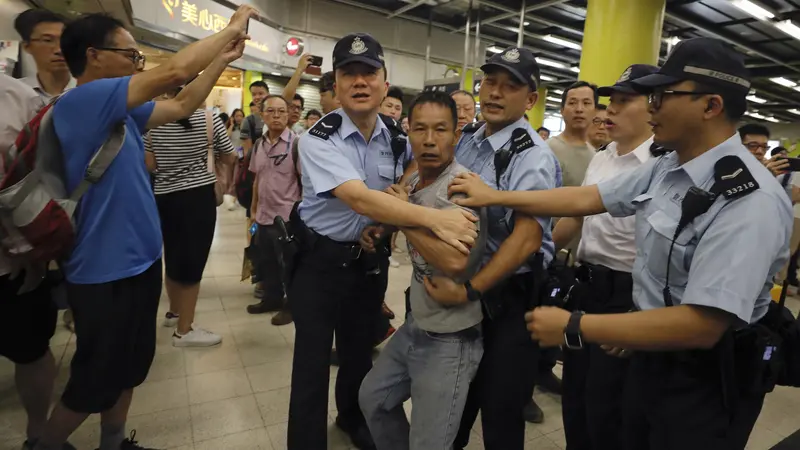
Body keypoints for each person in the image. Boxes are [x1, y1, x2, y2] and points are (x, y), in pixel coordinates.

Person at [450, 37, 790, 450]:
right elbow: (587, 198)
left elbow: (702, 324)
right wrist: (496, 195)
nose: (652, 106)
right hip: (649, 355)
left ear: (711, 106)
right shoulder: (669, 165)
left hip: (704, 378)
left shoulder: (748, 200)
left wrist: (576, 325)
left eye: (664, 96)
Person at [35, 6, 256, 450]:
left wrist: (221, 60)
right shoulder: (83, 103)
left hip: (138, 263)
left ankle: (114, 442)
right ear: (94, 55)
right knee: (94, 378)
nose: (139, 64)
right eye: (131, 55)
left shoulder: (119, 113)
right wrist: (230, 27)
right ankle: (43, 444)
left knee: (131, 366)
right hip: (101, 269)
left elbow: (183, 102)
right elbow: (175, 71)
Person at [287, 32, 477, 450]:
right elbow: (357, 196)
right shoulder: (318, 138)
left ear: (384, 84)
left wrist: (387, 223)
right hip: (319, 262)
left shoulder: (394, 133)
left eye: (369, 73)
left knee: (358, 353)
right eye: (349, 73)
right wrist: (434, 219)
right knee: (312, 365)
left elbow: (404, 177)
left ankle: (354, 421)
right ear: (335, 85)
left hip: (366, 262)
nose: (360, 81)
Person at [434, 46, 560, 450]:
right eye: (490, 81)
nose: (495, 93)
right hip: (466, 289)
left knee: (500, 411)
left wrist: (472, 290)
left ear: (530, 100)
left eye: (510, 86)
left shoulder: (531, 156)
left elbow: (527, 239)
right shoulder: (471, 139)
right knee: (455, 403)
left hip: (507, 298)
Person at [359, 91, 486, 449]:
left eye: (441, 130)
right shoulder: (415, 181)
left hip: (452, 339)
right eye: (420, 129)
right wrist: (385, 227)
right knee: (373, 399)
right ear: (408, 132)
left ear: (456, 135)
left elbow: (455, 262)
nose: (429, 140)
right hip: (416, 326)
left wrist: (403, 216)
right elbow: (408, 211)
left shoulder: (463, 188)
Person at [554, 64, 658, 450]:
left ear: (653, 107)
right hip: (587, 287)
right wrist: (540, 252)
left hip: (627, 296)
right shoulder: (603, 156)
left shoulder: (661, 165)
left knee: (608, 409)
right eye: (610, 100)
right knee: (575, 398)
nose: (609, 109)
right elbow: (575, 216)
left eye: (624, 101)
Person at [0, 74, 76, 450]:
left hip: (14, 263)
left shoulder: (19, 98)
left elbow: (47, 177)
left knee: (31, 349)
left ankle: (37, 434)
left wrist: (39, 247)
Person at [144, 87, 236, 347]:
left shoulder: (155, 120)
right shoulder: (208, 118)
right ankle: (185, 330)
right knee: (193, 261)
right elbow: (229, 155)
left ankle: (173, 312)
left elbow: (149, 164)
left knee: (172, 255)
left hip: (163, 195)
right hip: (197, 196)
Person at [246, 95, 300, 321]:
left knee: (288, 264)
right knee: (267, 261)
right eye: (271, 111)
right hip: (264, 214)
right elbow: (258, 179)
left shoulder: (296, 144)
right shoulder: (259, 144)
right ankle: (272, 298)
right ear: (262, 115)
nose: (276, 116)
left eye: (281, 111)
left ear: (288, 115)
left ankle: (292, 305)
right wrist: (253, 210)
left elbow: (305, 181)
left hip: (286, 216)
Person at [14, 9, 75, 101]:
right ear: (27, 46)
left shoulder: (89, 91)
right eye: (47, 40)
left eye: (65, 40)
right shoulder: (14, 92)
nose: (59, 50)